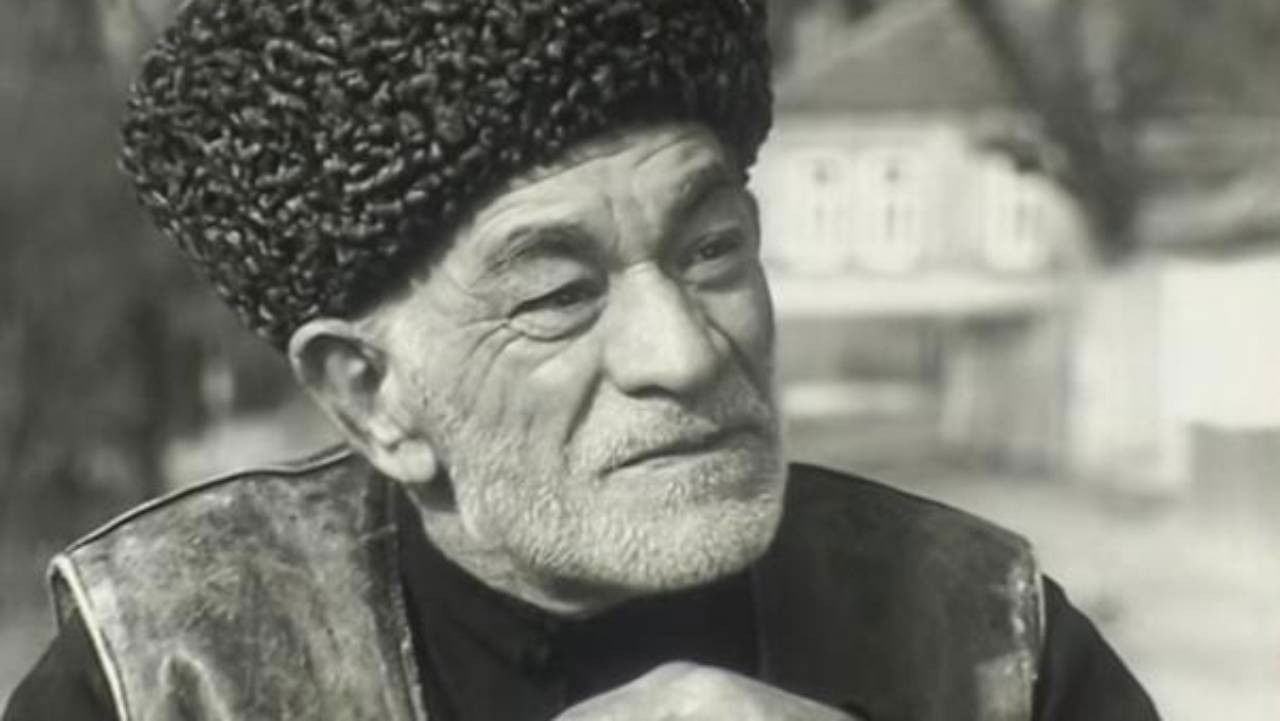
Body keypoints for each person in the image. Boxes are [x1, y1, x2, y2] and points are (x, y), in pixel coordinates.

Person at [4, 1, 1159, 719]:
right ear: (373, 395)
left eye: (711, 250)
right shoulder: (162, 668)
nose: (684, 352)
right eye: (558, 296)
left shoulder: (986, 637)